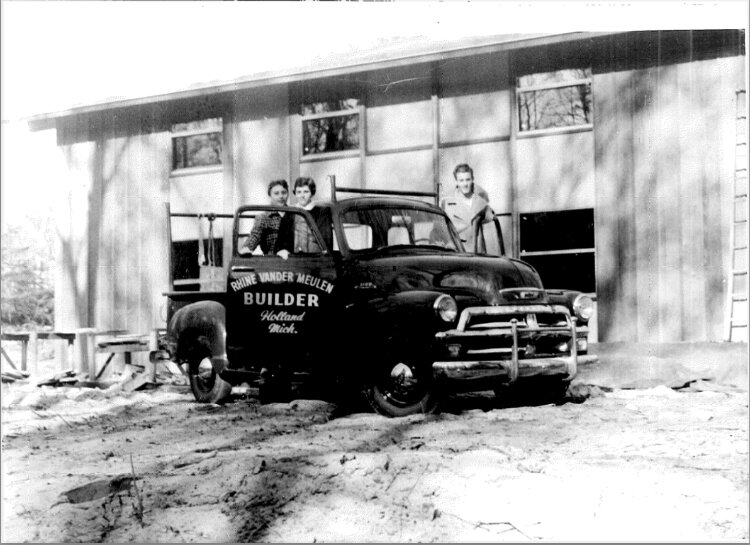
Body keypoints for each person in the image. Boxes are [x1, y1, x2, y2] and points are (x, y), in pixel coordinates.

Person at [440, 163, 494, 250]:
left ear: (472, 180)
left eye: (467, 179)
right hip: (457, 253)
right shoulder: (446, 204)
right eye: (461, 180)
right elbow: (439, 231)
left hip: (478, 253)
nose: (465, 184)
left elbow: (491, 220)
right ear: (456, 182)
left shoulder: (481, 203)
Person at [277, 177, 322, 258]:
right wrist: (282, 250)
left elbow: (326, 238)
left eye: (306, 192)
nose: (302, 196)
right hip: (293, 258)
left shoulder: (321, 212)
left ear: (312, 193)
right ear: (295, 193)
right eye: (299, 192)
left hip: (314, 258)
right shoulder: (289, 212)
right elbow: (281, 238)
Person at [243, 179, 289, 255]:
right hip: (272, 260)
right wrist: (247, 248)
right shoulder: (264, 217)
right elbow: (255, 236)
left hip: (294, 260)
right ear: (270, 195)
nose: (281, 196)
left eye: (284, 192)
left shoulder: (295, 214)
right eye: (276, 193)